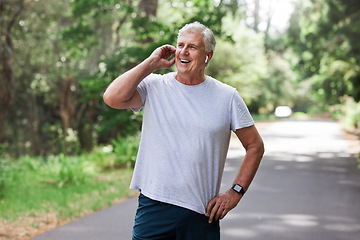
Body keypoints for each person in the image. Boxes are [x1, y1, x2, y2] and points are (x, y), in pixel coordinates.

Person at [103, 22, 264, 240]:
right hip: (154, 206)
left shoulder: (227, 97)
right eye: (180, 45)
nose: (184, 51)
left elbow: (255, 146)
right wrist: (151, 63)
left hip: (201, 213)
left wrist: (235, 192)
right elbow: (112, 98)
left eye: (192, 47)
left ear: (208, 55)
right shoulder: (154, 86)